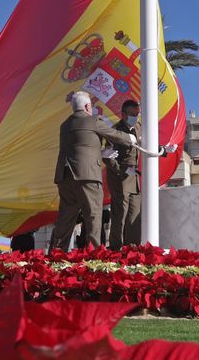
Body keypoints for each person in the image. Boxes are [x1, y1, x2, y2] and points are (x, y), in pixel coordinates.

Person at [51, 91, 142, 251]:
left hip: (65, 176)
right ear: (87, 106)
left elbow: (81, 146)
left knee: (65, 218)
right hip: (87, 176)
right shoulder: (93, 121)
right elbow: (114, 135)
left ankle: (57, 252)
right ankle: (94, 254)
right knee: (93, 216)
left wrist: (102, 152)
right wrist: (131, 139)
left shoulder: (64, 125)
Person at [106, 99, 144, 249]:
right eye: (132, 115)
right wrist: (121, 171)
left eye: (137, 114)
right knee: (119, 215)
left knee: (135, 214)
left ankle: (132, 249)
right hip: (119, 178)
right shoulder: (115, 131)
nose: (135, 118)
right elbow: (107, 157)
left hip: (134, 177)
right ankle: (115, 248)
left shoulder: (139, 127)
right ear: (123, 114)